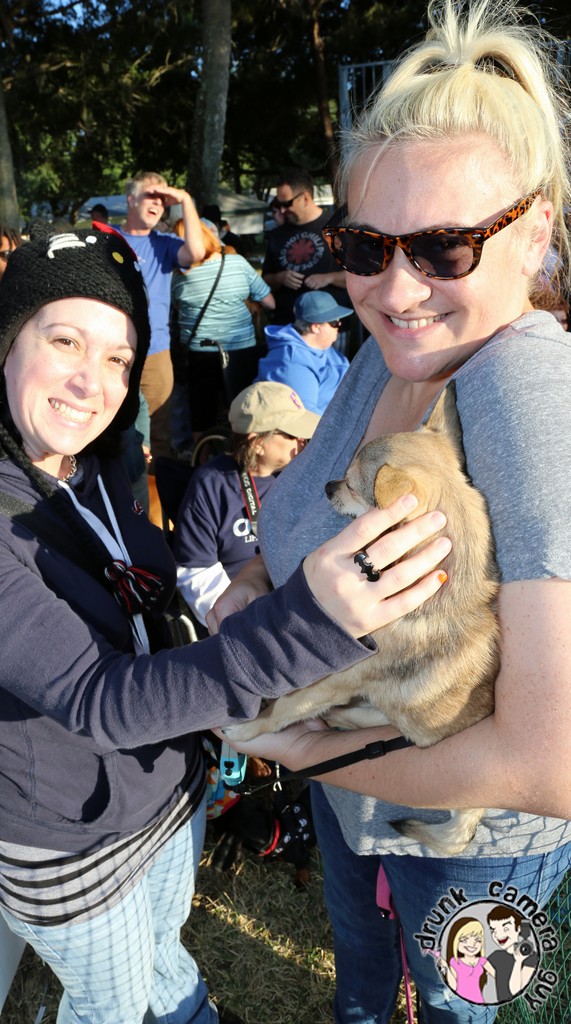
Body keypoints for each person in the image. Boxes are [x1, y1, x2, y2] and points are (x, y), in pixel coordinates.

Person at [0, 223, 450, 1024]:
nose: (91, 382)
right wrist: (305, 624)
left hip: (167, 791)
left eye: (118, 358)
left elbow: (146, 597)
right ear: (5, 345)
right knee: (109, 1006)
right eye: (65, 341)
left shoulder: (93, 465)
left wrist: (231, 600)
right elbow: (99, 700)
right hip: (78, 844)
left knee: (164, 953)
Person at [210, 3, 571, 1023]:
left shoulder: (523, 390)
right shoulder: (389, 356)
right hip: (356, 791)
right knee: (363, 991)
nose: (397, 288)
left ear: (533, 234)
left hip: (479, 841)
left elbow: (550, 764)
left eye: (445, 247)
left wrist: (301, 749)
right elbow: (299, 516)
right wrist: (249, 584)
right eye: (367, 246)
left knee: (464, 1013)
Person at [174, 382, 319, 628]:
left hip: (302, 603)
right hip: (246, 616)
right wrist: (245, 624)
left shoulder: (302, 474)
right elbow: (196, 574)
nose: (303, 441)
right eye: (292, 435)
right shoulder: (211, 485)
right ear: (256, 442)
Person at [121, 172, 205, 459]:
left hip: (155, 352)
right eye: (151, 195)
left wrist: (186, 200)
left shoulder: (165, 242)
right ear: (131, 200)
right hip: (112, 350)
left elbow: (197, 252)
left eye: (163, 198)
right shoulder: (107, 239)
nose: (158, 202)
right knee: (114, 427)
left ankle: (155, 486)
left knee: (159, 434)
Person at [171, 219, 275, 439]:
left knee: (202, 415)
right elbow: (270, 302)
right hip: (241, 350)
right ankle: (245, 453)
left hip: (200, 353)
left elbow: (176, 306)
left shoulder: (178, 275)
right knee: (245, 410)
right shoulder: (238, 263)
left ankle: (201, 455)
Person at [262, 167, 350, 324]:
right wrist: (279, 278)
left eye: (287, 204)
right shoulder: (277, 235)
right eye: (279, 204)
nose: (282, 210)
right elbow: (265, 281)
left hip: (330, 326)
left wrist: (329, 278)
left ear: (305, 198)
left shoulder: (338, 228)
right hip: (288, 324)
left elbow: (361, 275)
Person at [256, 291, 352, 415]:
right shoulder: (292, 363)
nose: (340, 325)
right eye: (334, 323)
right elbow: (307, 416)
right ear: (316, 327)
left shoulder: (323, 347)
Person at [486, 906, 539, 1002]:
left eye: (505, 928)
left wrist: (518, 961)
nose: (497, 935)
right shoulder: (496, 955)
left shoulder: (530, 956)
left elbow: (515, 991)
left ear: (518, 929)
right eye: (493, 930)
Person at [439, 917, 495, 1004]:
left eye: (478, 940)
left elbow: (497, 976)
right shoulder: (454, 962)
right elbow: (454, 986)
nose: (472, 944)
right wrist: (446, 967)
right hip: (460, 1002)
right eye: (464, 940)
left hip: (478, 1001)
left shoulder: (482, 961)